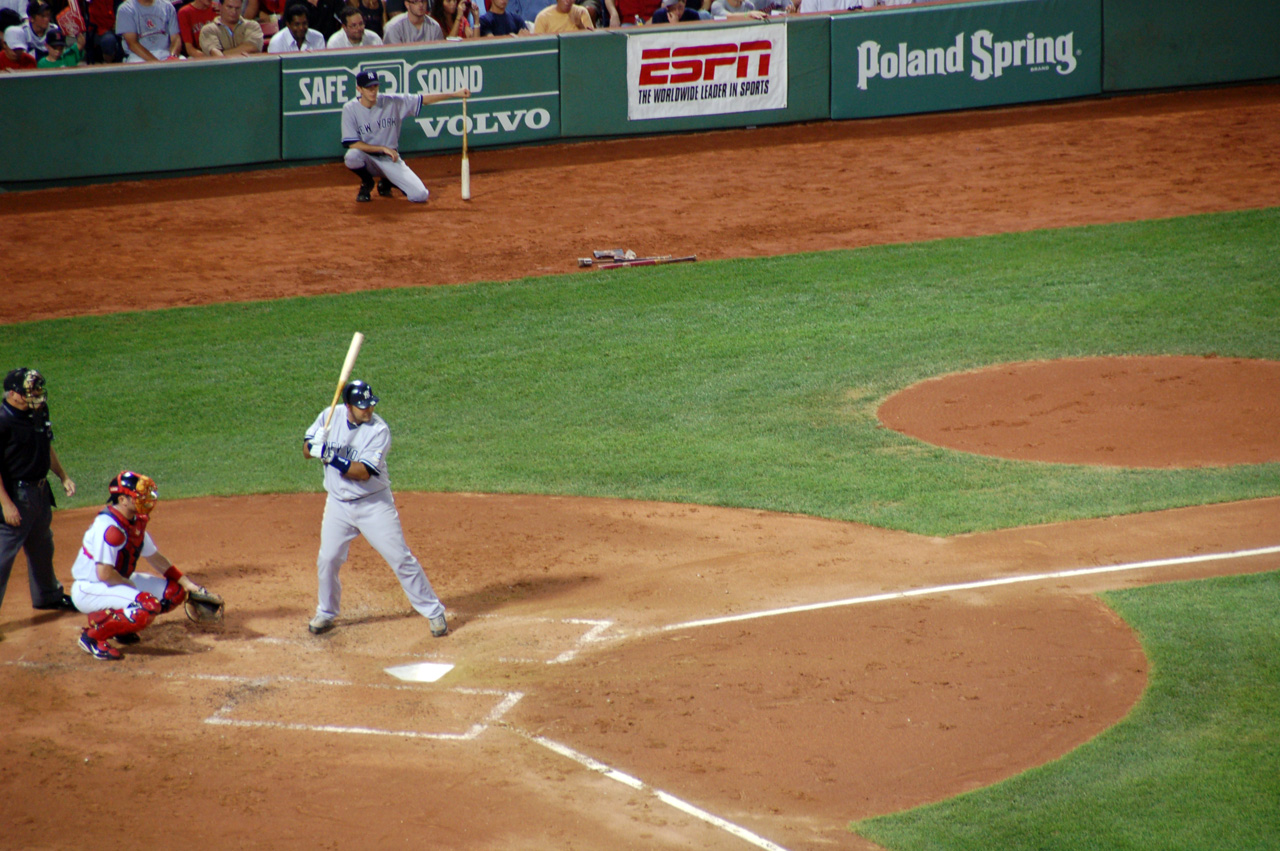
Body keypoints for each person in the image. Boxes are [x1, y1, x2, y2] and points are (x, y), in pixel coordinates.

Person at [302, 380, 448, 638]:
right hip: (337, 504)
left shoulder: (379, 430)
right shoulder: (329, 415)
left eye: (370, 405)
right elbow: (306, 451)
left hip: (373, 504)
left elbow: (362, 473)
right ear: (348, 406)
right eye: (361, 406)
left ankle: (434, 611)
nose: (368, 410)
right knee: (328, 559)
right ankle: (326, 611)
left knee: (400, 558)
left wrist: (328, 455)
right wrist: (314, 445)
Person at [69, 471, 210, 660]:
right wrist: (129, 586)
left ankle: (119, 626)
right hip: (92, 587)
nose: (146, 499)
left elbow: (156, 559)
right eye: (139, 495)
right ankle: (92, 638)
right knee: (146, 606)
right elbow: (103, 573)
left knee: (174, 593)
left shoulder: (133, 522)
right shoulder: (109, 528)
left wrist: (188, 584)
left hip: (115, 581)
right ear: (123, 500)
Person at [0, 368, 76, 619]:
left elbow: (46, 446)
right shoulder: (3, 420)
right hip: (16, 496)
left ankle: (48, 596)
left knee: (43, 546)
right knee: (3, 556)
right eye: (30, 391)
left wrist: (63, 476)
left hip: (41, 493)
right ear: (13, 394)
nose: (37, 394)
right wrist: (6, 504)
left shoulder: (38, 411)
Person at [342, 70, 467, 202]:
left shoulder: (392, 102)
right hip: (367, 158)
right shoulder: (350, 109)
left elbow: (423, 99)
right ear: (359, 89)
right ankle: (367, 182)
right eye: (368, 88)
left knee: (420, 195)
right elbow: (352, 143)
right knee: (352, 156)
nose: (373, 91)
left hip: (390, 160)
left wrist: (454, 94)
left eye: (375, 87)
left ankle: (388, 180)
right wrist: (382, 148)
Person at [116, 0, 181, 61]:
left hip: (165, 54)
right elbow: (132, 44)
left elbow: (176, 38)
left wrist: (173, 57)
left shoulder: (167, 6)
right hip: (138, 56)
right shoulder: (126, 9)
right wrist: (158, 64)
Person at [199, 0, 263, 55]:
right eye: (229, 7)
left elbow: (251, 47)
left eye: (237, 8)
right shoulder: (208, 30)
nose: (234, 12)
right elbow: (217, 56)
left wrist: (224, 54)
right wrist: (241, 54)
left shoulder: (252, 25)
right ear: (220, 6)